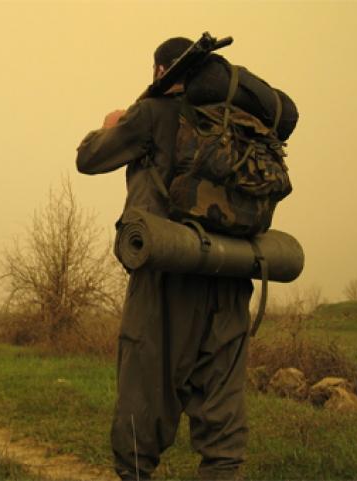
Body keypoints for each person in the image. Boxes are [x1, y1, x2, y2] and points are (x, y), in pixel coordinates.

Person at [75, 37, 253, 480]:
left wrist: (110, 124)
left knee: (143, 391)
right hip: (232, 273)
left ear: (161, 72)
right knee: (221, 405)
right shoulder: (239, 124)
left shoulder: (152, 114)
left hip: (166, 273)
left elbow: (89, 159)